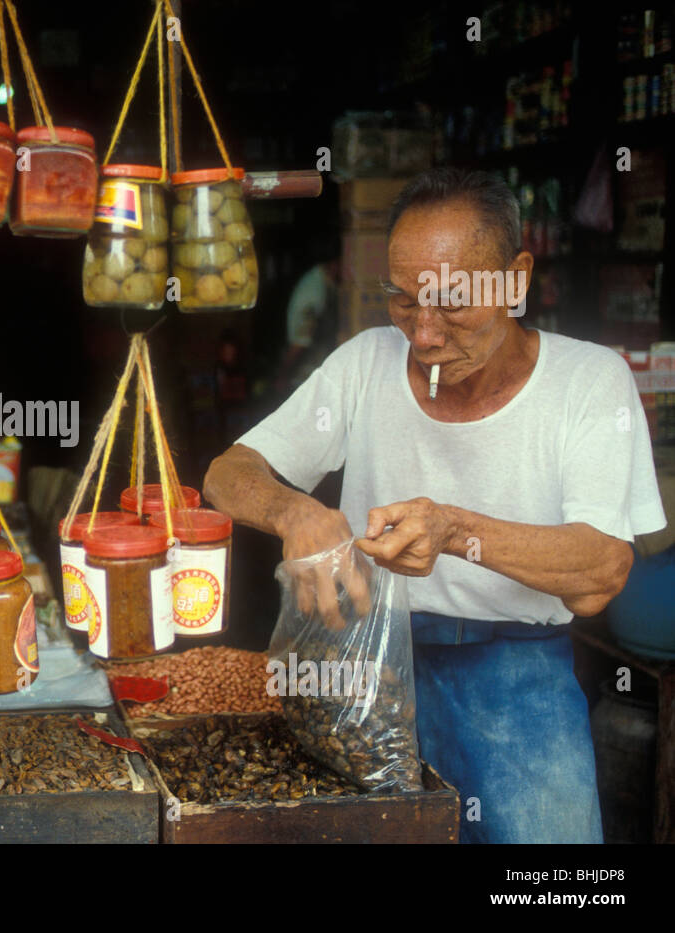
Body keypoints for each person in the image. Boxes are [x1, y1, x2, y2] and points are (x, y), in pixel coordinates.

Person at [203, 168, 666, 844]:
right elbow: (226, 473)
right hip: (369, 669)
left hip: (519, 686)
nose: (422, 332)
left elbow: (601, 569)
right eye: (401, 298)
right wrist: (294, 512)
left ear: (515, 279)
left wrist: (452, 528)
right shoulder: (365, 364)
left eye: (451, 301)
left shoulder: (588, 383)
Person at [275, 244, 339, 391]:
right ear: (334, 264)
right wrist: (283, 376)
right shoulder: (314, 292)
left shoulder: (325, 282)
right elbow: (300, 341)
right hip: (305, 377)